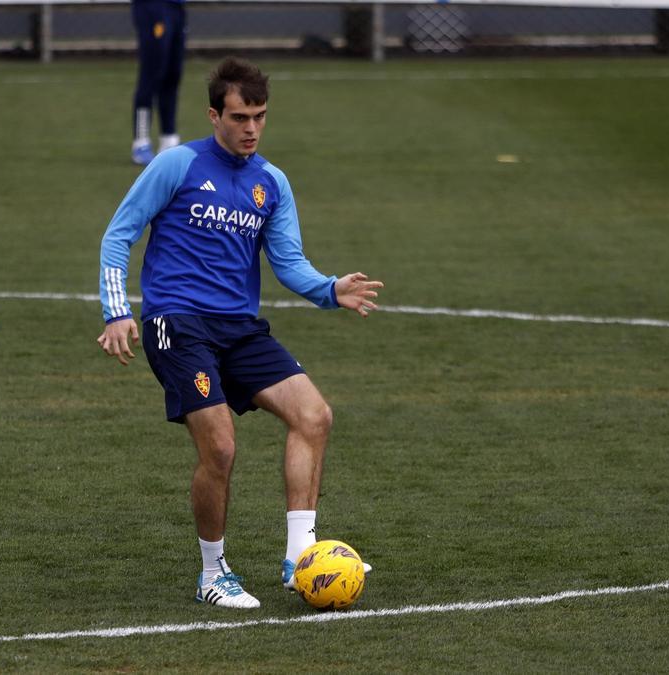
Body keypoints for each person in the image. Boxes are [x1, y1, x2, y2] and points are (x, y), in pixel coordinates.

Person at [98, 57, 382, 609]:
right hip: (177, 325)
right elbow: (118, 235)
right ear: (214, 115)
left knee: (314, 415)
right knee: (222, 447)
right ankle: (212, 573)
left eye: (260, 116)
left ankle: (300, 557)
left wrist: (330, 288)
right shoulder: (176, 165)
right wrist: (116, 311)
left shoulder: (271, 183)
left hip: (239, 330)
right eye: (240, 116)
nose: (251, 128)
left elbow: (289, 262)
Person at [129, 0, 186, 165]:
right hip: (152, 6)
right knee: (152, 72)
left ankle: (169, 138)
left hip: (176, 6)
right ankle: (141, 141)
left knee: (173, 73)